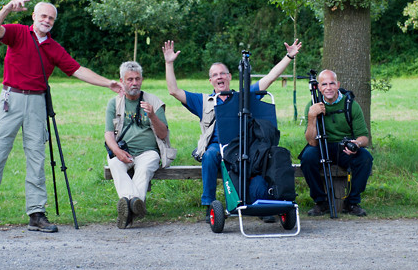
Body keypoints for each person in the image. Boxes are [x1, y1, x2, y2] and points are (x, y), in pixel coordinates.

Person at [0, 0, 123, 234]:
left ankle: (36, 214)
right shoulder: (17, 33)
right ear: (33, 16)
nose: (47, 21)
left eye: (51, 18)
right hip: (11, 100)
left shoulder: (54, 48)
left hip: (37, 104)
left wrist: (107, 83)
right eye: (43, 16)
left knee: (37, 160)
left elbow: (78, 70)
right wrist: (8, 9)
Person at [162, 39, 302, 222]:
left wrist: (289, 56)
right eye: (215, 75)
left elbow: (269, 79)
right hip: (217, 147)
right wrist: (169, 62)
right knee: (210, 155)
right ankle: (209, 204)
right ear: (211, 80)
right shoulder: (204, 101)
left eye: (223, 73)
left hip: (243, 146)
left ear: (229, 77)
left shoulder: (242, 96)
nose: (219, 77)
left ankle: (263, 205)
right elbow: (173, 90)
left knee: (263, 157)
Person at [105, 61, 176, 229]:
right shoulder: (114, 103)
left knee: (144, 169)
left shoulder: (153, 102)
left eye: (137, 79)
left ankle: (127, 208)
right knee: (114, 163)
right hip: (123, 151)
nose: (134, 83)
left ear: (142, 80)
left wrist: (152, 116)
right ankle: (135, 204)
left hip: (148, 152)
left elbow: (163, 134)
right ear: (121, 81)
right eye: (130, 79)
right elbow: (108, 134)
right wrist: (117, 151)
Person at [299, 69, 373, 217]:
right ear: (319, 87)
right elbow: (311, 142)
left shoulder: (350, 104)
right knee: (307, 158)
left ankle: (352, 202)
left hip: (343, 147)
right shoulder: (312, 104)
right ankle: (321, 202)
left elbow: (364, 137)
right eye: (324, 84)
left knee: (365, 158)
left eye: (332, 83)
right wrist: (312, 116)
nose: (328, 88)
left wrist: (356, 144)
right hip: (320, 145)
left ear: (338, 84)